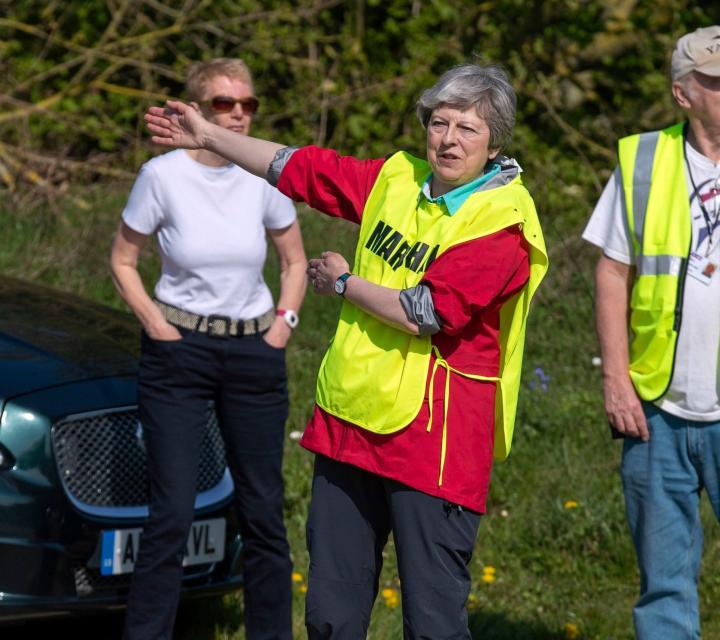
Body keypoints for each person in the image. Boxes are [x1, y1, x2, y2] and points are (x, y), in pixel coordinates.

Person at [144, 63, 548, 639]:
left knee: (432, 622)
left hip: (434, 443)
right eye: (439, 123)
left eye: (468, 128)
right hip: (349, 425)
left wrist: (342, 283)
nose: (450, 139)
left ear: (496, 141)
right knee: (330, 615)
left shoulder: (503, 221)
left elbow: (426, 313)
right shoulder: (397, 178)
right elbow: (299, 169)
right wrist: (210, 137)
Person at [110, 57, 306, 640]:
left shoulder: (262, 175)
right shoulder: (161, 175)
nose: (240, 114)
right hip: (179, 354)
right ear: (196, 109)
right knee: (171, 514)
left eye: (248, 104)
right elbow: (123, 260)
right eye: (225, 104)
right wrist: (154, 322)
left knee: (263, 513)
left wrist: (282, 328)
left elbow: (294, 260)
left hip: (253, 353)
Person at [582, 25, 720, 640]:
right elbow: (613, 271)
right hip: (657, 407)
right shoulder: (643, 160)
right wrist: (616, 380)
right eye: (717, 83)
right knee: (664, 585)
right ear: (683, 94)